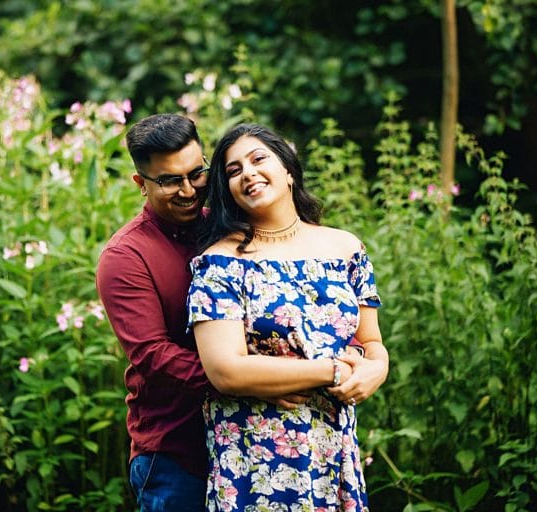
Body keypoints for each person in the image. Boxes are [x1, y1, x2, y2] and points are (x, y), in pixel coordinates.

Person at [187, 123, 389, 510]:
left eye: (258, 158)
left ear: (289, 169)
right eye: (233, 170)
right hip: (255, 452)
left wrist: (375, 371)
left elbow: (372, 342)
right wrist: (331, 371)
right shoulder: (220, 263)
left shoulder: (345, 248)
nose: (247, 172)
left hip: (332, 444)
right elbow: (225, 370)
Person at [96, 113, 212, 510]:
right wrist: (247, 379)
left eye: (196, 174)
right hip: (174, 452)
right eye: (169, 181)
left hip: (246, 436)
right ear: (141, 184)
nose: (188, 190)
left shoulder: (225, 229)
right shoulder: (125, 257)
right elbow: (153, 355)